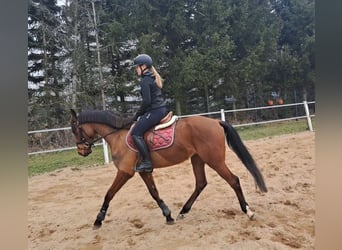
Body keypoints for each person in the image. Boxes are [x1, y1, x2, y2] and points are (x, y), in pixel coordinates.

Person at [130, 54, 169, 173]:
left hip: (155, 111)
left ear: (143, 66)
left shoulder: (145, 81)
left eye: (137, 67)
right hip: (160, 109)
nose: (136, 69)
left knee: (136, 133)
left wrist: (137, 115)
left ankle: (147, 162)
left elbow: (147, 102)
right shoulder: (152, 77)